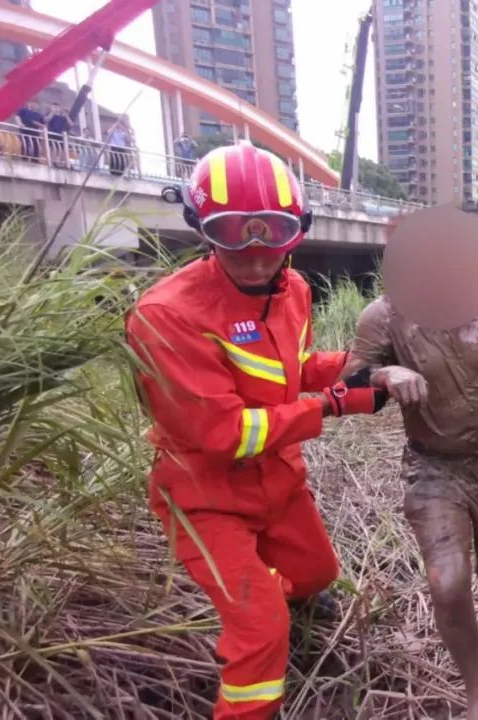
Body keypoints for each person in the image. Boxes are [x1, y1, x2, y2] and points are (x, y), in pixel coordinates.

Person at [126, 142, 388, 719]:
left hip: (278, 478)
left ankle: (266, 597)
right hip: (206, 497)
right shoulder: (166, 314)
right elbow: (225, 433)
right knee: (262, 626)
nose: (254, 253)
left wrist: (358, 366)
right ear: (202, 228)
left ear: (297, 230)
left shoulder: (291, 290)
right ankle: (254, 651)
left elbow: (291, 370)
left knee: (317, 574)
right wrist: (336, 405)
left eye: (271, 230)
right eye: (232, 232)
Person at [343, 211, 478, 720]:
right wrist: (385, 372)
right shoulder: (382, 316)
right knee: (447, 583)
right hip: (434, 467)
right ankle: (477, 692)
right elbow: (349, 385)